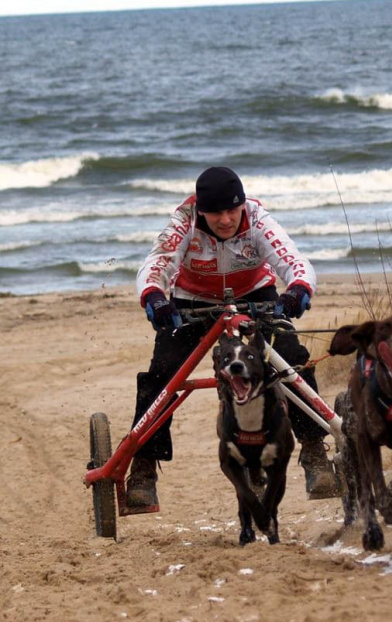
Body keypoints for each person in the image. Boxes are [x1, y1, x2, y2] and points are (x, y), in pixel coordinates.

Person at [126, 166, 339, 508]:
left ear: (242, 206)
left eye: (232, 211)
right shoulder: (183, 221)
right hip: (191, 303)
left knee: (292, 358)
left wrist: (297, 290)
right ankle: (143, 468)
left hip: (256, 296)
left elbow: (293, 261)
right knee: (162, 373)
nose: (226, 220)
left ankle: (315, 452)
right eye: (216, 213)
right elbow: (157, 265)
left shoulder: (257, 219)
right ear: (201, 211)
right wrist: (154, 296)